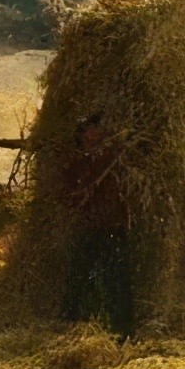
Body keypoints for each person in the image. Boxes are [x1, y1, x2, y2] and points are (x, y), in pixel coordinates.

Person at [62, 114, 135, 338]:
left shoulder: (113, 158)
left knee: (115, 277)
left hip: (113, 228)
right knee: (81, 275)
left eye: (95, 128)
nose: (93, 133)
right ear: (82, 135)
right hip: (89, 228)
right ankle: (75, 323)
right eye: (88, 130)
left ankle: (122, 329)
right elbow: (68, 195)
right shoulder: (77, 164)